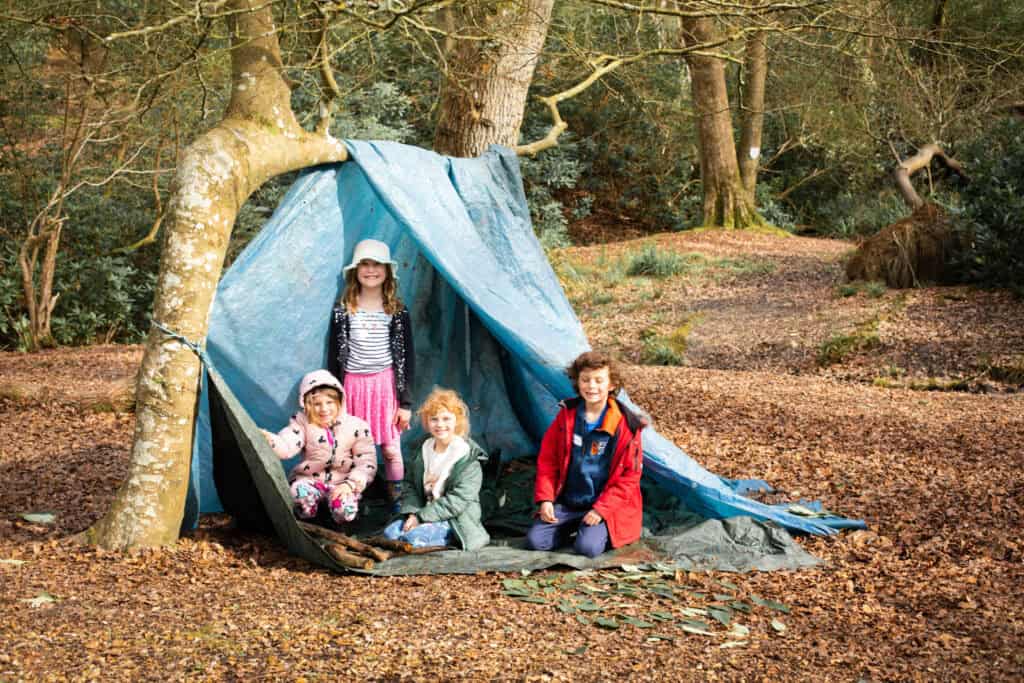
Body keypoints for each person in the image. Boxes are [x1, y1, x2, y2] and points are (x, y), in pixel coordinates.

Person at [525, 350, 646, 558]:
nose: (592, 386)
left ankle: (594, 531)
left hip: (604, 505)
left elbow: (629, 477)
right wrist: (545, 499)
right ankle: (572, 527)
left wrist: (601, 510)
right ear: (578, 383)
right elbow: (548, 461)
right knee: (537, 541)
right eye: (586, 380)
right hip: (571, 501)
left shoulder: (626, 425)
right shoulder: (567, 416)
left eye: (599, 380)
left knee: (587, 548)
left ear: (611, 384)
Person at [328, 238, 415, 510]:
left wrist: (406, 404)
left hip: (385, 387)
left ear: (387, 271)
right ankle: (350, 498)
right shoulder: (343, 311)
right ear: (355, 271)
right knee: (352, 448)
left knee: (390, 449)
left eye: (377, 264)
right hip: (352, 387)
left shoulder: (397, 312)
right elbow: (334, 357)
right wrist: (335, 397)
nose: (371, 270)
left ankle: (396, 497)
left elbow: (407, 358)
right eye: (364, 264)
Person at [261, 370, 377, 524]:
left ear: (339, 402)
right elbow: (288, 444)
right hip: (310, 481)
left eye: (329, 402)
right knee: (299, 496)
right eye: (317, 404)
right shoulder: (302, 423)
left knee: (345, 512)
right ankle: (308, 522)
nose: (324, 409)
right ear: (307, 405)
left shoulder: (357, 426)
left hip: (342, 483)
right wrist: (270, 440)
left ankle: (337, 522)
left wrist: (351, 484)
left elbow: (367, 461)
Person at [382, 388, 490, 551]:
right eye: (434, 419)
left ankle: (447, 538)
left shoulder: (469, 458)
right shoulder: (423, 449)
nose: (440, 425)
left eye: (446, 419)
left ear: (457, 421)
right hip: (423, 511)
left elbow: (458, 501)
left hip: (454, 518)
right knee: (390, 533)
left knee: (412, 538)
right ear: (427, 422)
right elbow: (409, 485)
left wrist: (420, 518)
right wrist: (413, 513)